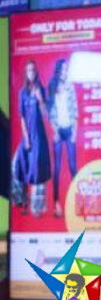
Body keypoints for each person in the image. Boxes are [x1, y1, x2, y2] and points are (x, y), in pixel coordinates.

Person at [11, 60, 51, 216]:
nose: (31, 73)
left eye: (33, 70)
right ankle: (20, 199)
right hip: (28, 135)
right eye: (28, 70)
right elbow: (22, 117)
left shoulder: (41, 89)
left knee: (37, 169)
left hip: (39, 136)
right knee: (16, 164)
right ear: (26, 73)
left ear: (36, 72)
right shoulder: (23, 92)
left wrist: (40, 100)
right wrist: (26, 138)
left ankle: (37, 207)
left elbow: (46, 116)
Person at [47, 59, 78, 218]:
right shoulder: (51, 86)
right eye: (63, 69)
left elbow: (75, 109)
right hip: (58, 130)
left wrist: (74, 132)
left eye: (67, 70)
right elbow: (50, 112)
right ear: (58, 70)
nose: (65, 72)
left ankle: (77, 200)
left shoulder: (70, 86)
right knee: (57, 168)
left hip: (69, 129)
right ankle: (56, 204)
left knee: (73, 165)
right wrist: (55, 131)